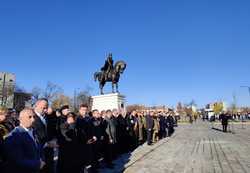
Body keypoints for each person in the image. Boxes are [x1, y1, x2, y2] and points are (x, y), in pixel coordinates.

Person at [3, 108, 45, 173]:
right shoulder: (14, 136)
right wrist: (37, 164)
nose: (33, 119)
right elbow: (16, 160)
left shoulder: (33, 131)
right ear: (20, 119)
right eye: (29, 117)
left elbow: (39, 148)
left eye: (34, 117)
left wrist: (42, 160)